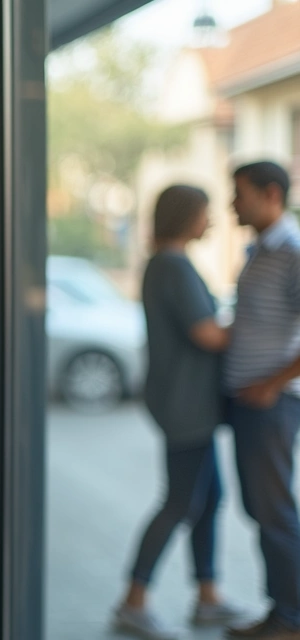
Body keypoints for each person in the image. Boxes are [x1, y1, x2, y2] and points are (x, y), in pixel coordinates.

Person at [112, 185, 244, 640]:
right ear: (187, 216)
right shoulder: (173, 265)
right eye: (205, 214)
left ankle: (208, 595)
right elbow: (208, 334)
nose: (211, 221)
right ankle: (134, 600)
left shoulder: (163, 263)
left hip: (185, 403)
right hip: (186, 405)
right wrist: (257, 322)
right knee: (181, 501)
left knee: (208, 498)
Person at [223, 161, 300, 640]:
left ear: (270, 194)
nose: (233, 204)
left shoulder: (291, 251)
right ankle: (282, 611)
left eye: (240, 194)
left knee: (274, 512)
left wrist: (271, 384)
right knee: (262, 509)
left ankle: (290, 618)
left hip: (271, 405)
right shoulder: (260, 250)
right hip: (251, 403)